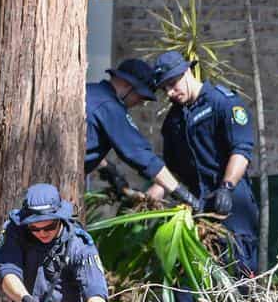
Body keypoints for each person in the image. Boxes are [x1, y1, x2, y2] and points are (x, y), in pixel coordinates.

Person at [153, 51, 258, 283]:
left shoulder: (222, 102)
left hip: (232, 205)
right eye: (165, 89)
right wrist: (147, 201)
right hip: (195, 209)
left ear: (187, 72)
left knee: (240, 280)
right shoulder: (173, 122)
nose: (170, 92)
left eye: (173, 84)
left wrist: (227, 187)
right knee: (196, 284)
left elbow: (242, 150)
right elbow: (168, 170)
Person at [85, 58, 198, 207]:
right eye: (140, 96)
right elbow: (140, 155)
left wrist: (108, 169)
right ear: (127, 84)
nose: (139, 102)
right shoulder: (110, 107)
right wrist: (182, 194)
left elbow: (84, 141)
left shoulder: (90, 92)